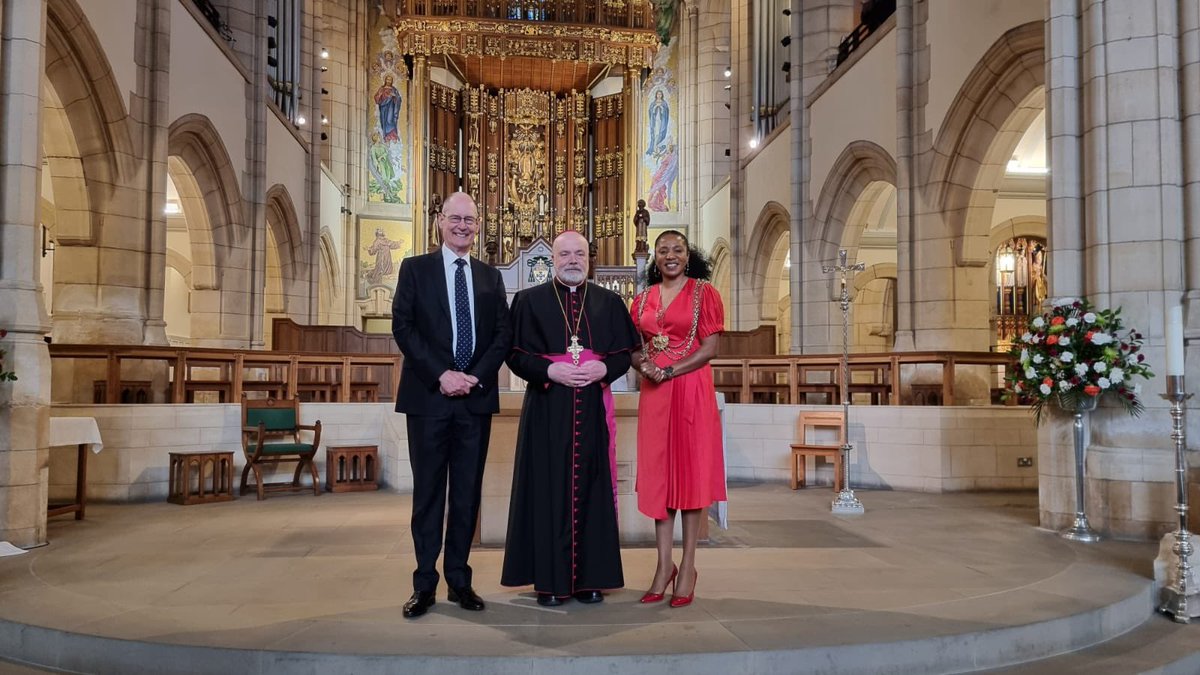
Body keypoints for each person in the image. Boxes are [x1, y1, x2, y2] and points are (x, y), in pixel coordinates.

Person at [501, 230, 641, 606]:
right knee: (546, 490)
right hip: (547, 411)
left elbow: (624, 354)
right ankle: (550, 582)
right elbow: (513, 355)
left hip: (592, 410)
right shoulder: (529, 302)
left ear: (589, 258)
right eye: (565, 254)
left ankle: (591, 579)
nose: (573, 260)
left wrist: (602, 371)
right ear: (554, 259)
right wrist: (549, 372)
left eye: (579, 253)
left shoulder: (609, 302)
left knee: (593, 489)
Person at [391, 191, 512, 619]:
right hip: (428, 399)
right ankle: (424, 583)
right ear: (440, 221)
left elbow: (503, 334)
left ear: (478, 226)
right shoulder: (415, 269)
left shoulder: (489, 276)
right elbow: (403, 327)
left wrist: (475, 376)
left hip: (474, 401)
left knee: (465, 495)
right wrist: (441, 374)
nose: (462, 225)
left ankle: (460, 579)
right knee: (427, 494)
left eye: (470, 220)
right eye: (455, 218)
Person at [630, 230, 726, 608]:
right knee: (661, 479)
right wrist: (645, 365)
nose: (670, 256)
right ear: (655, 257)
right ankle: (662, 564)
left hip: (690, 390)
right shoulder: (641, 300)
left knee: (690, 475)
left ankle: (688, 566)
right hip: (655, 394)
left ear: (689, 256)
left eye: (678, 250)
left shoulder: (705, 293)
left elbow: (710, 348)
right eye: (663, 250)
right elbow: (633, 348)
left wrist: (670, 371)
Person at [375, 74, 402, 142]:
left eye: (390, 80)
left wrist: (395, 96)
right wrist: (381, 95)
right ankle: (386, 135)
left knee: (390, 120)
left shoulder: (394, 89)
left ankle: (392, 135)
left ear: (392, 81)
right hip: (383, 108)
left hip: (391, 108)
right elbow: (376, 97)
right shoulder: (382, 89)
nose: (388, 81)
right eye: (387, 79)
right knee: (384, 121)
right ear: (385, 80)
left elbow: (399, 99)